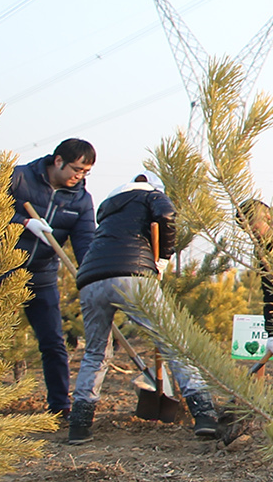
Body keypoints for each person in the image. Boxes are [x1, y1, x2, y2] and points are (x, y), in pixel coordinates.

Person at [66, 175, 221, 443]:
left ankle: (79, 425)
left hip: (91, 281)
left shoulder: (108, 208)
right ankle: (204, 414)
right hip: (132, 276)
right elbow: (167, 215)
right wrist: (163, 258)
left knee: (95, 353)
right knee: (174, 343)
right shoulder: (151, 195)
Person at [0, 140, 98, 416]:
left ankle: (60, 407)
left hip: (41, 275)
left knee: (53, 342)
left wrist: (91, 273)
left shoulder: (80, 200)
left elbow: (85, 242)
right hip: (1, 270)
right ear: (58, 161)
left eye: (85, 172)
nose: (79, 176)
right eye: (76, 169)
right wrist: (23, 222)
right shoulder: (18, 177)